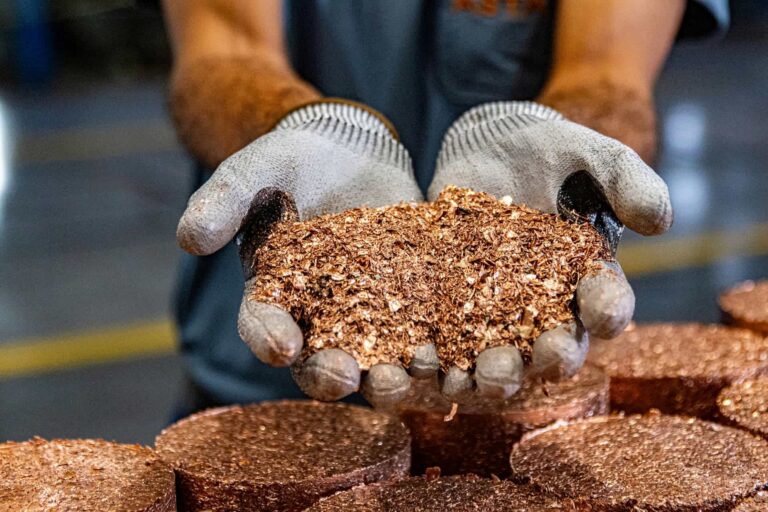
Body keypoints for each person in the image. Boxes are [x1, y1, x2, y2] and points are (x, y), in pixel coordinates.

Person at [162, 0, 728, 413]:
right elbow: (224, 45)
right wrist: (306, 126)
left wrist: (551, 133)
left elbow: (605, 71)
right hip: (259, 392)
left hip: (524, 395)